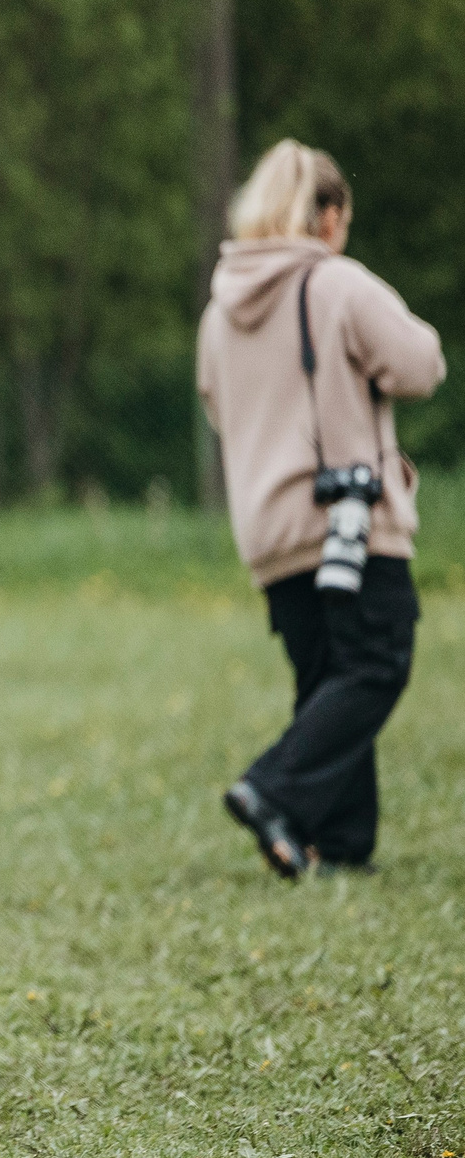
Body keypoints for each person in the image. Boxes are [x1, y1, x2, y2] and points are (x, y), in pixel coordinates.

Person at [200, 139, 444, 879]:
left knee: (325, 678)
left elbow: (218, 405)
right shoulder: (337, 283)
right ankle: (271, 787)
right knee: (376, 662)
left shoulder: (222, 306)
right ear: (329, 216)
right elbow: (420, 365)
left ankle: (339, 843)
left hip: (270, 530)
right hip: (347, 518)